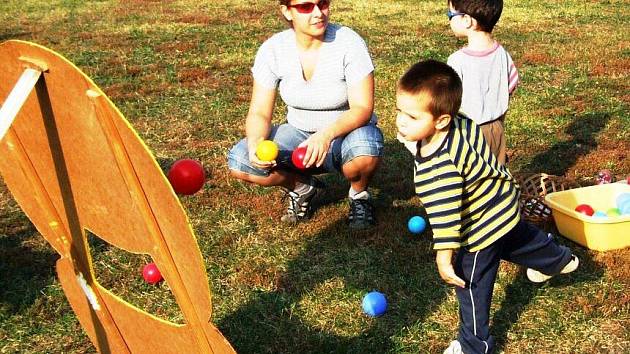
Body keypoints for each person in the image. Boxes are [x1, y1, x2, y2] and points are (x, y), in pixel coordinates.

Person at [395, 60, 578, 354]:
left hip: (479, 231)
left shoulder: (438, 169)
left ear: (441, 121)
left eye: (411, 117)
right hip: (504, 204)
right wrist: (415, 136)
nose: (401, 122)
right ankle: (559, 260)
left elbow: (446, 217)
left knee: (471, 286)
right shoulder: (462, 121)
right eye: (399, 112)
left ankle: (474, 345)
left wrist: (445, 257)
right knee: (518, 240)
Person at [227, 0, 383, 229]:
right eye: (305, 7)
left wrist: (325, 136)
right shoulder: (273, 50)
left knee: (365, 148)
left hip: (345, 134)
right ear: (286, 11)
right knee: (240, 160)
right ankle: (302, 188)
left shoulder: (349, 42)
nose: (318, 13)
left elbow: (362, 108)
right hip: (298, 134)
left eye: (323, 3)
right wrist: (255, 143)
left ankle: (359, 196)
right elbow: (259, 112)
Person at [446, 0, 519, 165]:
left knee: (470, 181)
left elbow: (448, 103)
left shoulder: (456, 61)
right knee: (497, 179)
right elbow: (510, 87)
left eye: (450, 15)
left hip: (467, 133)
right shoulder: (502, 54)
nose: (449, 20)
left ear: (467, 20)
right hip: (497, 130)